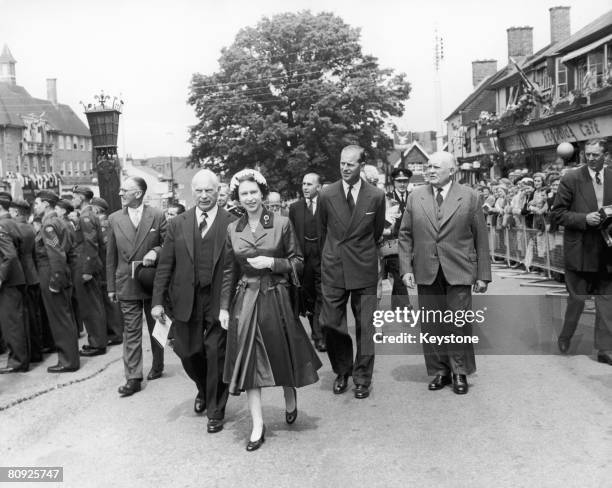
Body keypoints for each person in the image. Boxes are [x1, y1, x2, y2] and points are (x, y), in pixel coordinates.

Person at [219, 168, 322, 451]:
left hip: (275, 297)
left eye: (254, 192)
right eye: (244, 194)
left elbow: (298, 261)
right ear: (237, 198)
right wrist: (224, 308)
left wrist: (273, 263)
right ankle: (257, 425)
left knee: (282, 353)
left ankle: (290, 395)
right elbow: (229, 270)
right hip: (246, 300)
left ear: (262, 194)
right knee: (249, 362)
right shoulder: (233, 229)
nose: (250, 198)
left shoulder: (281, 223)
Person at [398, 151, 491, 395]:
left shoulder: (470, 197)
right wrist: (405, 268)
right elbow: (405, 235)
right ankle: (440, 370)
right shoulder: (415, 197)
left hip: (459, 269)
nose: (429, 170)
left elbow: (481, 238)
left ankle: (459, 371)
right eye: (428, 166)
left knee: (457, 322)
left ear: (452, 170)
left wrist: (483, 274)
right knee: (431, 324)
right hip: (426, 270)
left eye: (436, 167)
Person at [152, 170, 236, 434]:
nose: (203, 196)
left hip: (218, 299)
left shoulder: (232, 222)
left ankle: (215, 410)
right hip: (185, 299)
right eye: (198, 191)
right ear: (192, 191)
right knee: (188, 353)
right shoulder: (178, 223)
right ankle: (203, 387)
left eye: (208, 190)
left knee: (216, 354)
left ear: (218, 191)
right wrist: (157, 302)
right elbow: (165, 265)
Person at [318, 145, 386, 399]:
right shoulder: (326, 194)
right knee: (331, 324)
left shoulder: (376, 196)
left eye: (351, 164)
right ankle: (342, 370)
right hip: (334, 267)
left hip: (364, 267)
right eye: (342, 163)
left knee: (366, 328)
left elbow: (376, 230)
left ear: (361, 165)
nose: (345, 168)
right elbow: (322, 229)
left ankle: (362, 378)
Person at [552, 138, 612, 363]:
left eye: (596, 154)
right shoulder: (571, 178)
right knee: (576, 299)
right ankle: (566, 334)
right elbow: (558, 213)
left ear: (605, 155)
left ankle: (605, 350)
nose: (591, 158)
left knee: (606, 300)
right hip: (579, 250)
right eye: (588, 154)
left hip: (607, 251)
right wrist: (584, 219)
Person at [106, 176, 166, 396]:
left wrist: (155, 251)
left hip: (151, 280)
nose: (120, 194)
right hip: (127, 281)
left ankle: (157, 364)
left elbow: (168, 244)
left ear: (138, 194)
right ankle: (133, 377)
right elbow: (110, 255)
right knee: (131, 330)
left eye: (125, 190)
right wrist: (111, 287)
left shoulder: (157, 215)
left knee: (155, 325)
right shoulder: (114, 218)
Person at [33, 190, 80, 373]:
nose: (35, 207)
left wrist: (56, 280)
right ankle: (70, 358)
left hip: (52, 272)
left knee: (60, 318)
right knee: (65, 317)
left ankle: (68, 361)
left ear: (46, 204)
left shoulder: (49, 225)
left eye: (37, 203)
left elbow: (56, 254)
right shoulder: (62, 221)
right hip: (60, 271)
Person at [288, 172, 326, 352]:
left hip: (323, 258)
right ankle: (315, 329)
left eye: (309, 184)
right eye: (303, 184)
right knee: (309, 296)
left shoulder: (326, 205)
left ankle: (320, 336)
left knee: (322, 295)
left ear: (318, 187)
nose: (305, 187)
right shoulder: (295, 208)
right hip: (304, 260)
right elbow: (291, 235)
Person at [9, 198, 43, 363]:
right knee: (34, 316)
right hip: (33, 274)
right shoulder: (28, 227)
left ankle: (32, 353)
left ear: (15, 212)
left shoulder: (17, 228)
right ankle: (37, 351)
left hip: (24, 276)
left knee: (26, 318)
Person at [0, 192, 28, 373]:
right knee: (16, 320)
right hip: (17, 277)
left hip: (9, 281)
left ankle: (17, 361)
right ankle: (20, 358)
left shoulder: (2, 225)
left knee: (11, 322)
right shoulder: (13, 223)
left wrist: (1, 277)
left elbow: (9, 255)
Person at [90, 197, 123, 346]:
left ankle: (115, 333)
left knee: (110, 301)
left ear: (97, 209)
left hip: (105, 266)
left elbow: (105, 246)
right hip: (105, 265)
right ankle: (114, 332)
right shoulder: (103, 222)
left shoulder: (103, 224)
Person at [383, 168, 413, 310]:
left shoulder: (414, 197)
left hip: (412, 243)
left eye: (405, 181)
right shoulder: (387, 198)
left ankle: (396, 305)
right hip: (394, 242)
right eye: (399, 181)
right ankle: (405, 303)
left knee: (401, 272)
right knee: (399, 271)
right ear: (394, 182)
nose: (402, 184)